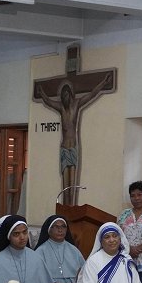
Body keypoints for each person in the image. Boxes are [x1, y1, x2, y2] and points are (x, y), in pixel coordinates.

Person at [36, 72, 113, 205]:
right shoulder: (61, 107)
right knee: (65, 184)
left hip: (73, 148)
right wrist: (41, 92)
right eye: (63, 95)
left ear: (71, 94)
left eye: (67, 94)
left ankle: (71, 206)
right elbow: (48, 101)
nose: (65, 97)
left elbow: (91, 94)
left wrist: (103, 83)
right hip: (64, 149)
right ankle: (65, 207)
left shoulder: (76, 104)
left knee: (72, 183)